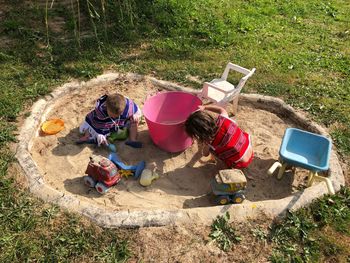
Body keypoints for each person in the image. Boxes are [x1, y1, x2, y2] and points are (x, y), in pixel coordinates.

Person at [185, 104, 253, 171]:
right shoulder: (223, 118)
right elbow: (221, 109)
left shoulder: (209, 141)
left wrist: (204, 145)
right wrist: (204, 107)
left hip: (241, 163)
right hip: (248, 148)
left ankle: (225, 168)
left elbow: (205, 154)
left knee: (214, 151)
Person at [78, 93, 142, 148]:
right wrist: (100, 134)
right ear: (106, 107)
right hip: (105, 125)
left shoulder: (128, 106)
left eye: (118, 114)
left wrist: (135, 115)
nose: (115, 117)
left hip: (121, 122)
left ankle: (132, 140)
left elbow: (136, 110)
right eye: (112, 115)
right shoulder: (100, 111)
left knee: (134, 121)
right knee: (90, 125)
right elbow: (94, 122)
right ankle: (87, 136)